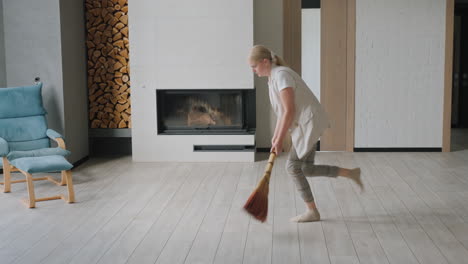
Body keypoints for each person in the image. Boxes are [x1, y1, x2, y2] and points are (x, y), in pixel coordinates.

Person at [248, 45, 363, 222]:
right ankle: (351, 173)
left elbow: (289, 110)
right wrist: (276, 137)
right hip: (304, 124)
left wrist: (280, 140)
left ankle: (312, 212)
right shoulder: (272, 78)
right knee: (306, 168)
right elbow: (282, 113)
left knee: (293, 167)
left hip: (309, 123)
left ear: (265, 61)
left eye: (254, 66)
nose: (254, 70)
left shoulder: (281, 75)